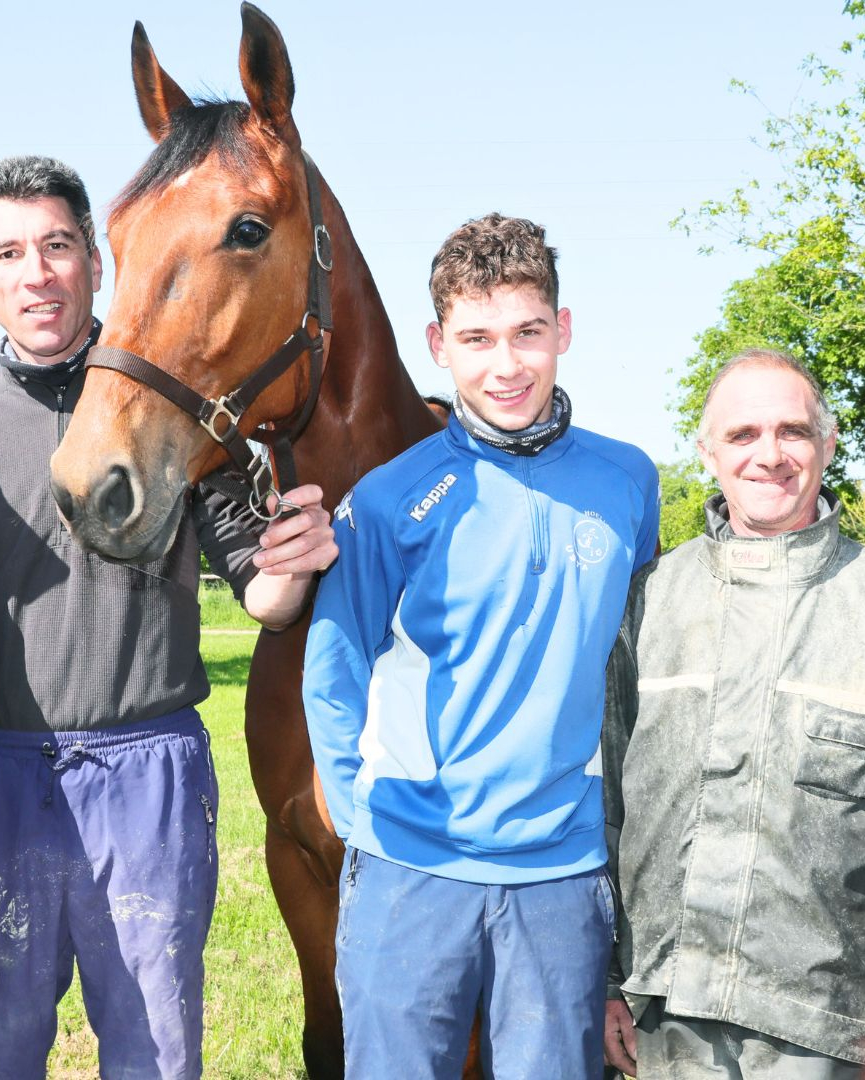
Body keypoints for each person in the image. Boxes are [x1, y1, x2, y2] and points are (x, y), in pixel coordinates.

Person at [0, 155, 337, 1079]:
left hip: (149, 772)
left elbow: (257, 585)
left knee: (154, 1053)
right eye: (7, 254)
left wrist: (292, 571)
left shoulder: (179, 399)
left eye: (57, 245)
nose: (37, 272)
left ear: (97, 258)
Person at [304, 213, 660, 1078]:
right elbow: (333, 673)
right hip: (410, 871)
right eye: (477, 338)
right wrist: (371, 830)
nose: (506, 365)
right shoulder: (391, 498)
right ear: (438, 344)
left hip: (562, 874)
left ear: (563, 331)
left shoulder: (628, 482)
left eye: (528, 333)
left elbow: (634, 665)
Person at [602, 348, 865, 1080]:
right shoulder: (651, 600)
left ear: (827, 446)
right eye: (741, 436)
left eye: (793, 432)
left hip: (824, 1023)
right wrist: (606, 980)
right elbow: (607, 800)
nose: (770, 455)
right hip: (663, 1009)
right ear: (707, 453)